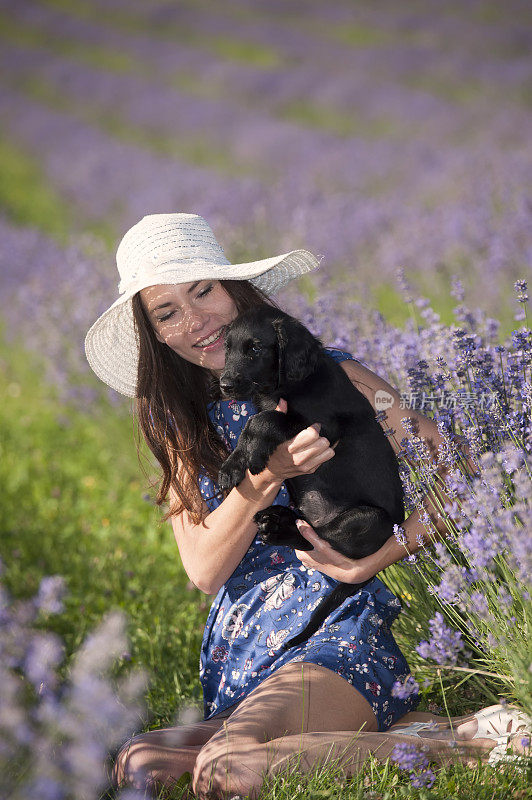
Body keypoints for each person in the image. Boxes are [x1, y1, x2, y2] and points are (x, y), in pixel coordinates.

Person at [85, 213, 531, 798]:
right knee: (140, 766)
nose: (196, 321)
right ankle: (420, 729)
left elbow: (465, 470)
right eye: (168, 312)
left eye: (204, 290)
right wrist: (270, 474)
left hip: (335, 629)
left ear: (235, 289)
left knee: (229, 772)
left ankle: (473, 744)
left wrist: (377, 557)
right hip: (242, 652)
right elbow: (204, 569)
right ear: (157, 334)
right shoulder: (180, 424)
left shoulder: (336, 377)